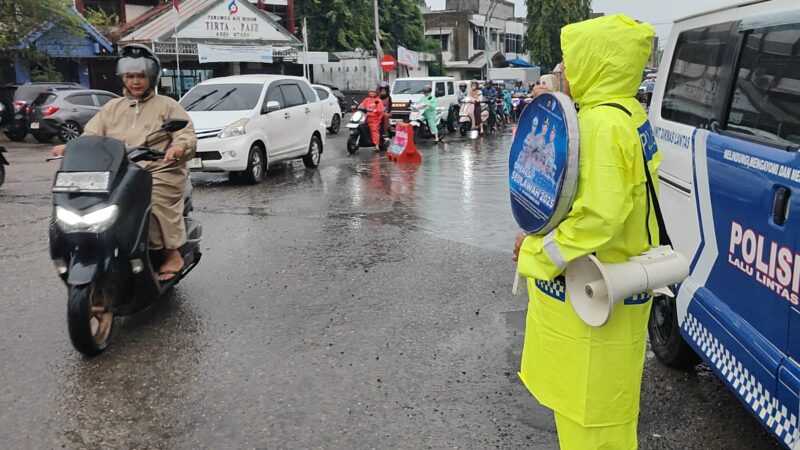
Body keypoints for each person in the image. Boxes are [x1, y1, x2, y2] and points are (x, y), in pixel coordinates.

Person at [511, 14, 659, 449]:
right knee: (601, 416)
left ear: (598, 62)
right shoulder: (627, 112)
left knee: (590, 423)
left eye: (570, 62)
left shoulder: (601, 125)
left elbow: (598, 218)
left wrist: (533, 252)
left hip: (593, 296)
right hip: (608, 290)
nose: (563, 72)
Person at [52, 44, 197, 282]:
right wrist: (70, 147)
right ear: (123, 78)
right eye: (130, 76)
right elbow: (92, 134)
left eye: (141, 76)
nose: (136, 81)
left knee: (154, 201)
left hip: (159, 169)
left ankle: (172, 254)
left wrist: (178, 147)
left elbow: (186, 133)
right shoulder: (111, 108)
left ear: (151, 77)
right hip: (118, 170)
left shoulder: (167, 105)